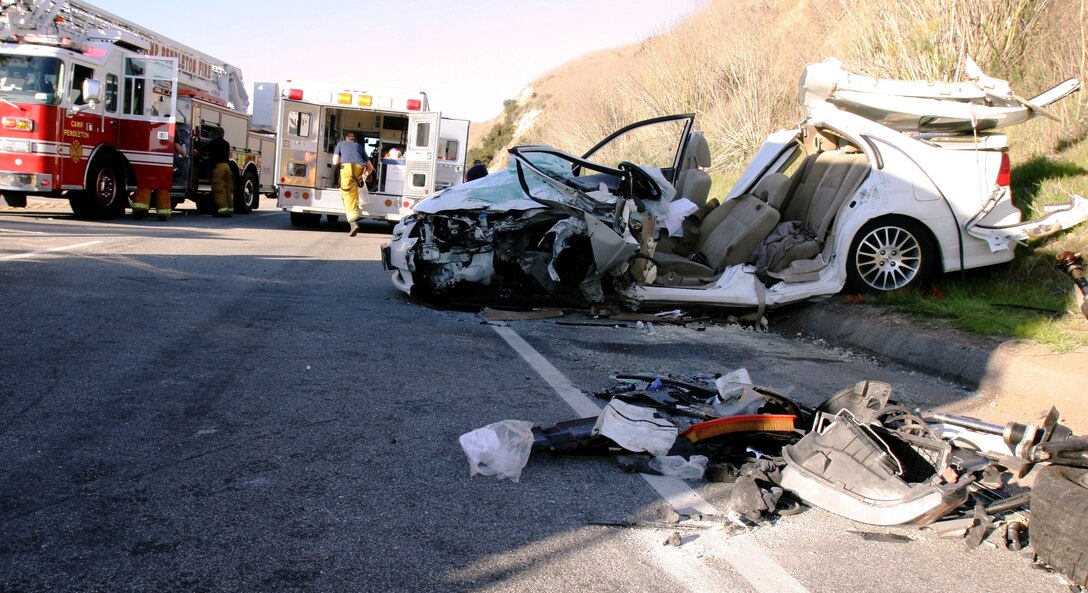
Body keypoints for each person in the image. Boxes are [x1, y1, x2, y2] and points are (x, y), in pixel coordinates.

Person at [331, 131, 374, 236]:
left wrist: (343, 157)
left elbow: (335, 162)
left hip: (347, 169)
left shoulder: (340, 144)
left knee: (347, 195)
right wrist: (365, 175)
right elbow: (371, 168)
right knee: (354, 192)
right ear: (355, 140)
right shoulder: (359, 147)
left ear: (346, 138)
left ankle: (353, 223)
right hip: (360, 169)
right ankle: (356, 211)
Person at [207, 126, 233, 217]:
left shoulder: (213, 143)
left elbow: (209, 154)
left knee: (218, 189)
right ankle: (230, 209)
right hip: (227, 167)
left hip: (218, 168)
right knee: (227, 189)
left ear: (215, 134)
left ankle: (223, 211)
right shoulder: (226, 143)